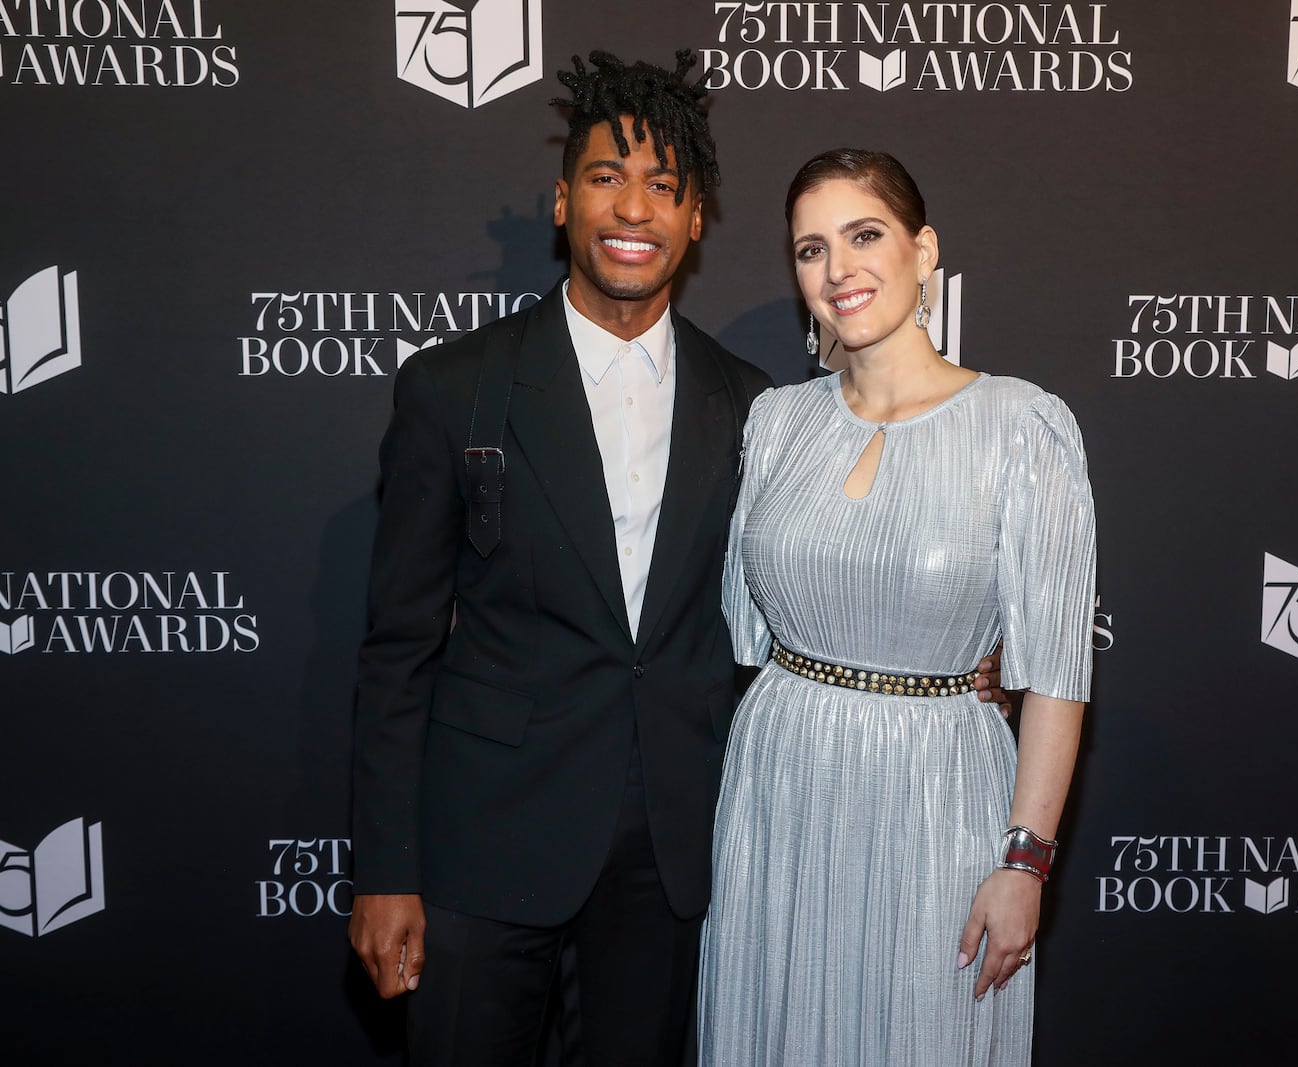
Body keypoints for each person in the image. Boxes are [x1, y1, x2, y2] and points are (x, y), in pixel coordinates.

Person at [345, 51, 772, 1066]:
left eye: (663, 186)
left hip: (667, 849)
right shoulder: (454, 388)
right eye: (604, 176)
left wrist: (957, 672)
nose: (634, 206)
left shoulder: (753, 404)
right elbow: (397, 646)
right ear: (562, 200)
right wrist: (384, 869)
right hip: (482, 839)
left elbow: (791, 603)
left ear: (696, 217)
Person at [699, 148, 1096, 1065]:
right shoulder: (775, 423)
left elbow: (1059, 675)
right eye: (810, 249)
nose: (838, 269)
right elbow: (740, 633)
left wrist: (1025, 861)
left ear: (925, 253)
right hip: (780, 784)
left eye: (864, 235)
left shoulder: (1020, 424)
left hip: (941, 794)